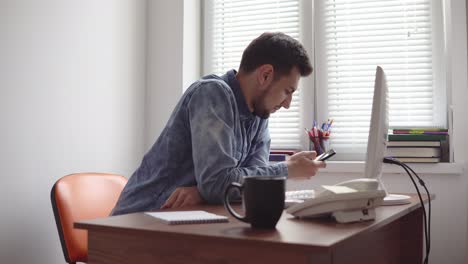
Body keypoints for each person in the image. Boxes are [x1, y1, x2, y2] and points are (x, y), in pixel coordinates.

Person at [111, 32, 326, 216]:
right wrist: (286, 169)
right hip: (136, 222)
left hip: (179, 222)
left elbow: (245, 187)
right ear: (265, 75)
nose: (287, 104)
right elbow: (219, 185)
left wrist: (201, 191)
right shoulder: (212, 94)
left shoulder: (259, 115)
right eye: (287, 91)